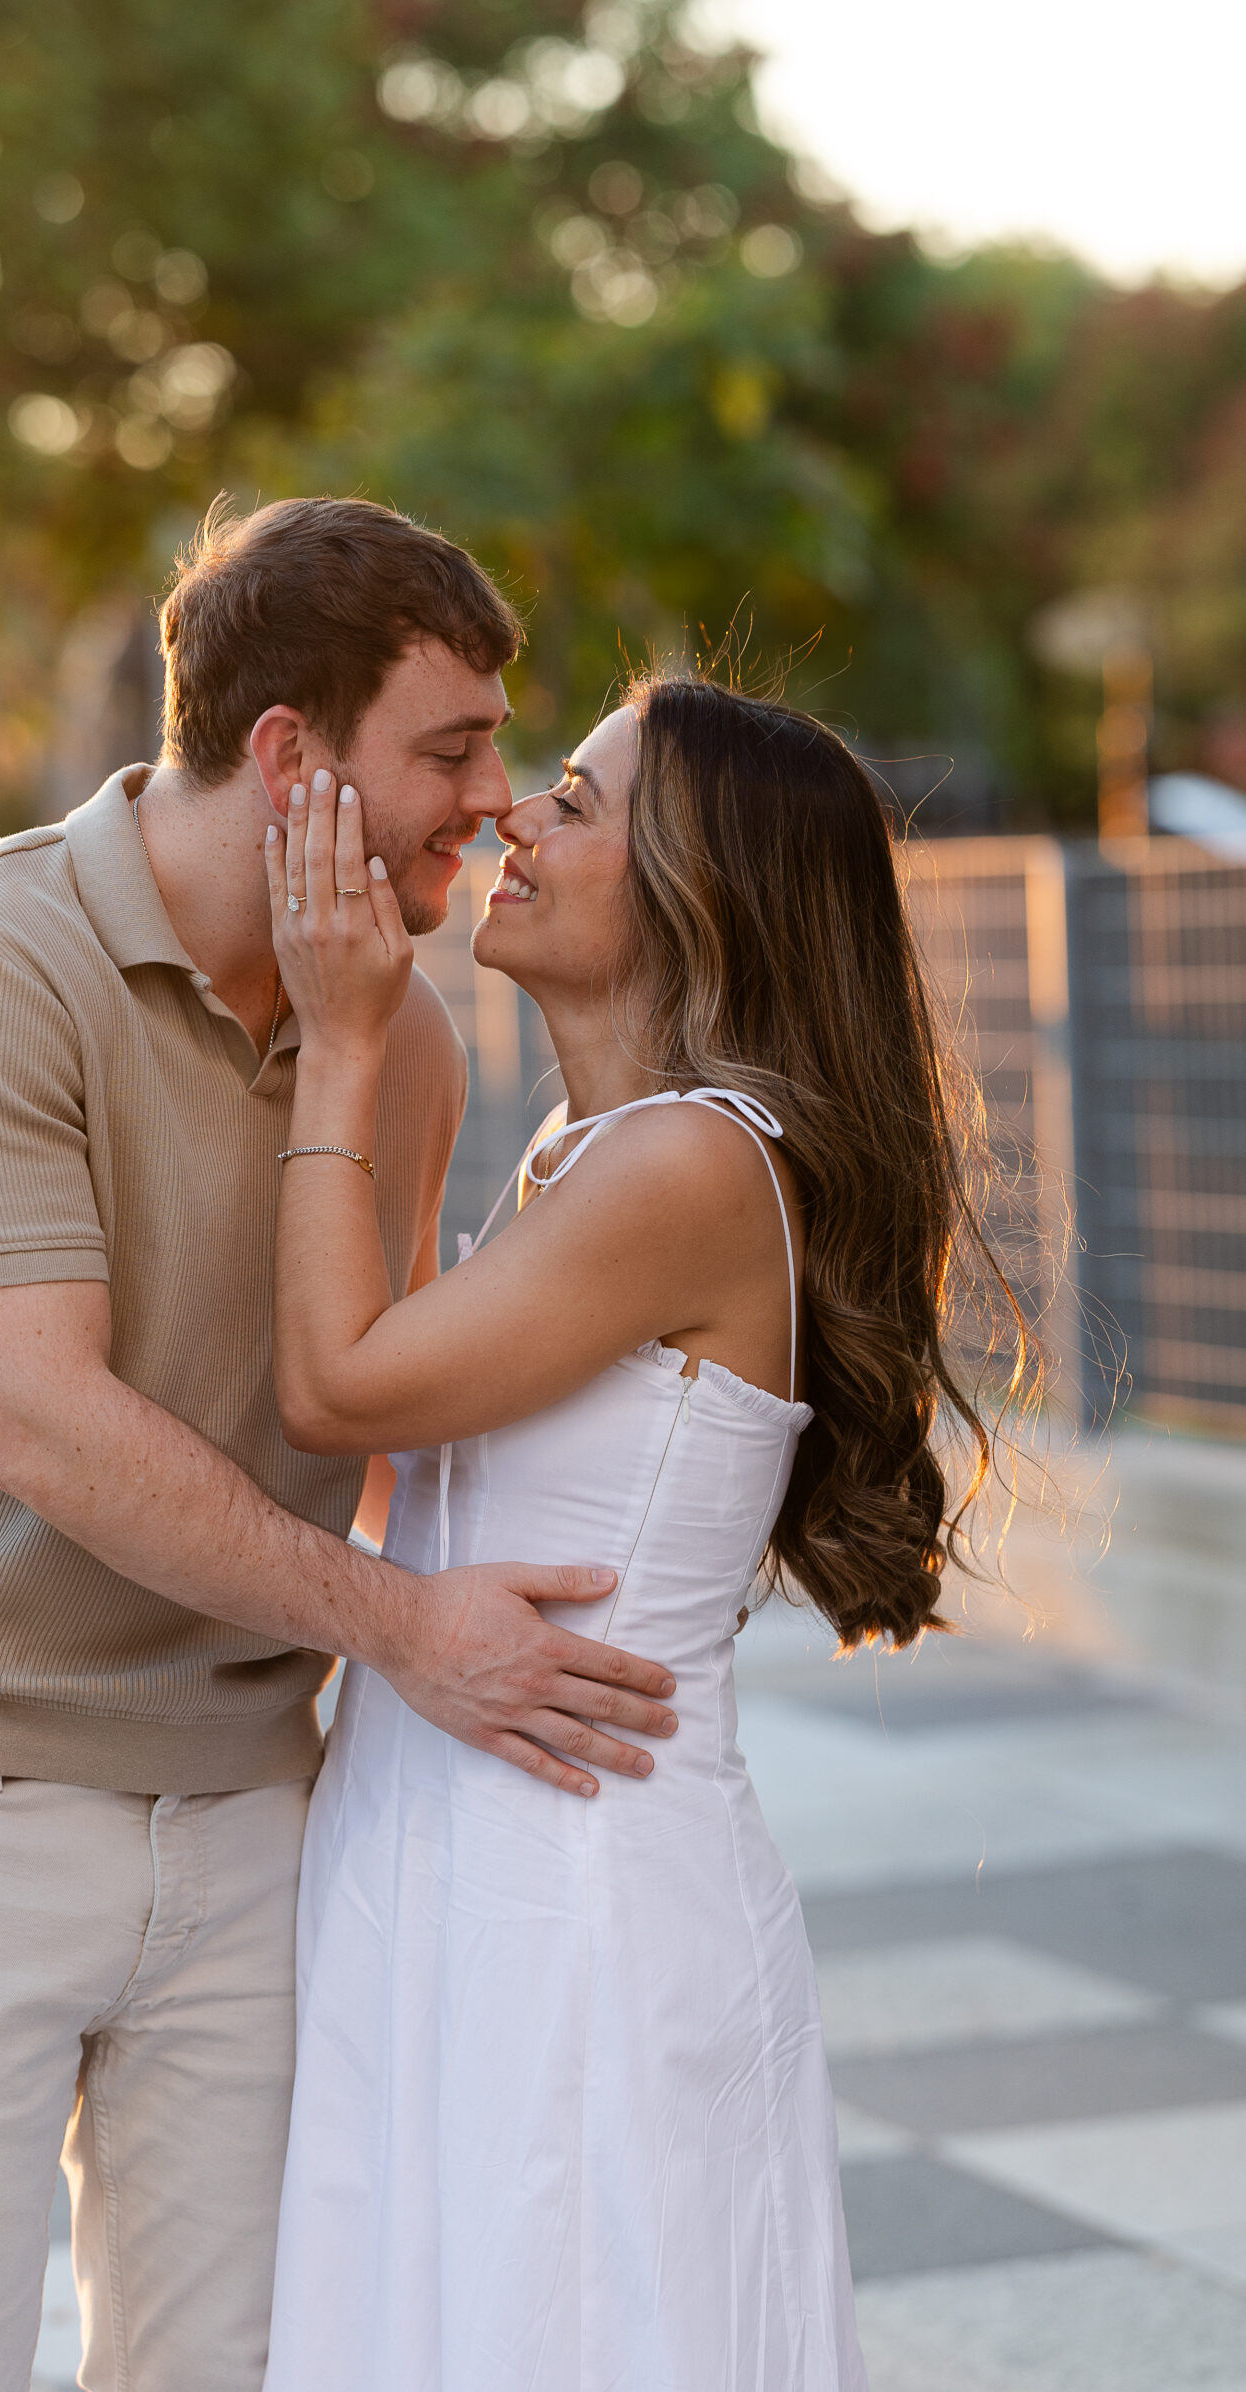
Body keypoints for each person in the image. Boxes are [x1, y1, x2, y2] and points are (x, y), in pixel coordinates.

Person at [0, 497, 686, 2392]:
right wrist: (411, 1631)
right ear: (289, 758)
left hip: (252, 1808)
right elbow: (44, 1428)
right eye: (449, 749)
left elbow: (372, 1397)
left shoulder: (397, 1042)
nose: (493, 800)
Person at [259, 674, 1015, 2391]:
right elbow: (424, 1480)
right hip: (443, 1840)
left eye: (579, 806)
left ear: (701, 895)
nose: (517, 815)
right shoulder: (581, 1153)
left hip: (577, 1886)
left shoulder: (693, 1167)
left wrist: (346, 1037)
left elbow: (335, 1389)